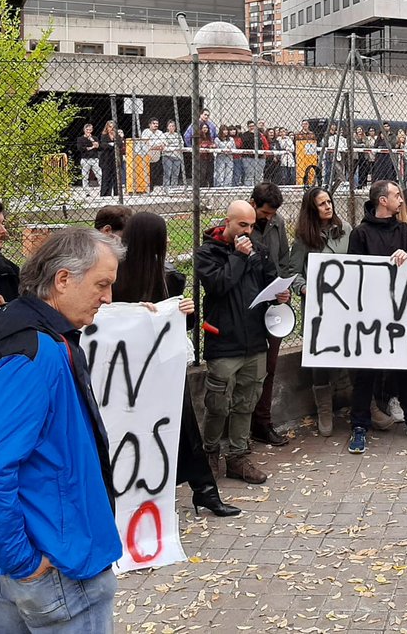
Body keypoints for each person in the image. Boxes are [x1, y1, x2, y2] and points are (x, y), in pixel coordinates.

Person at [0, 228, 125, 632]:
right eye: (102, 284)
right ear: (63, 279)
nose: (108, 297)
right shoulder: (35, 353)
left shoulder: (21, 334)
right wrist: (24, 563)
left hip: (33, 560)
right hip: (57, 565)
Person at [112, 212, 239, 517]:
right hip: (126, 373)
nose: (168, 242)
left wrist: (186, 312)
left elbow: (181, 326)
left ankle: (205, 491)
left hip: (163, 368)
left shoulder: (169, 277)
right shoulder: (113, 276)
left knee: (184, 427)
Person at [196, 200, 291, 485]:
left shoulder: (258, 251)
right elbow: (218, 285)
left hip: (254, 341)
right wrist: (237, 257)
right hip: (224, 342)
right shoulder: (207, 253)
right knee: (218, 404)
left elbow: (270, 281)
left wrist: (279, 295)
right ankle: (210, 453)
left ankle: (237, 456)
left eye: (251, 226)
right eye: (242, 225)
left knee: (246, 402)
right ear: (227, 222)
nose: (248, 231)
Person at [345, 180, 407, 453]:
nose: (401, 200)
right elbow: (353, 270)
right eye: (396, 195)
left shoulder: (405, 230)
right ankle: (359, 426)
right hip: (370, 313)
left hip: (401, 311)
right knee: (365, 372)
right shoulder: (361, 233)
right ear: (383, 201)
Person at [285, 188, 351, 436]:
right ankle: (324, 410)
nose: (328, 206)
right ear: (312, 210)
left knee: (353, 352)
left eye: (329, 202)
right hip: (318, 309)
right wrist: (303, 289)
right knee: (320, 359)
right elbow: (293, 272)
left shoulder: (345, 230)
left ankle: (364, 405)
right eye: (321, 204)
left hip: (346, 305)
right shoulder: (303, 238)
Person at [248, 181, 292, 446]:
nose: (269, 218)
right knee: (250, 369)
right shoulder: (242, 223)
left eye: (273, 214)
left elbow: (284, 260)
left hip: (275, 304)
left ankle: (263, 423)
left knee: (271, 366)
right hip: (249, 304)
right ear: (253, 204)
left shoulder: (278, 223)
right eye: (265, 213)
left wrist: (283, 288)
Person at [184, 110, 217, 188]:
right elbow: (186, 136)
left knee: (209, 173)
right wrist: (192, 148)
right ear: (201, 115)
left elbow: (215, 137)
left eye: (208, 115)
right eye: (205, 114)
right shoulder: (195, 125)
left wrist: (213, 145)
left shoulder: (211, 125)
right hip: (199, 154)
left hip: (209, 154)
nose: (206, 116)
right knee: (200, 173)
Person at [139, 119, 166, 193]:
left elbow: (164, 143)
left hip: (156, 157)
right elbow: (148, 144)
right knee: (147, 175)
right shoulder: (146, 132)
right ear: (149, 124)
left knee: (155, 175)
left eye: (157, 123)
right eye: (154, 123)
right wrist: (157, 145)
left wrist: (155, 145)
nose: (156, 125)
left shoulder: (160, 132)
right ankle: (147, 190)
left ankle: (152, 190)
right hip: (146, 156)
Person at [99, 120, 122, 198]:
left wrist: (113, 143)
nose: (111, 129)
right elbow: (103, 145)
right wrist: (112, 146)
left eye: (113, 127)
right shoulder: (104, 135)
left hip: (115, 159)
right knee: (106, 177)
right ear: (107, 127)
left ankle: (117, 193)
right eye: (110, 127)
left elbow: (120, 145)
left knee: (116, 177)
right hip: (106, 159)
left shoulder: (117, 136)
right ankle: (105, 194)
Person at [76, 123, 101, 192]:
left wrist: (91, 139)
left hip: (94, 158)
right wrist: (91, 147)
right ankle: (86, 191)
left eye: (90, 130)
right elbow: (80, 149)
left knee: (99, 175)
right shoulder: (80, 139)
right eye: (87, 130)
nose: (88, 131)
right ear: (84, 130)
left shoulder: (95, 138)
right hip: (85, 159)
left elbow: (98, 147)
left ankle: (102, 189)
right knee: (85, 176)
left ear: (92, 130)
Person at [161, 120, 184, 192]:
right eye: (170, 126)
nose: (171, 127)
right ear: (167, 127)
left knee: (175, 174)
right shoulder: (164, 135)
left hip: (177, 157)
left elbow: (181, 145)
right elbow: (164, 145)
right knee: (167, 173)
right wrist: (174, 147)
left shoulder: (178, 136)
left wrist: (171, 146)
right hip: (167, 156)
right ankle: (166, 189)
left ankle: (174, 188)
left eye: (173, 126)